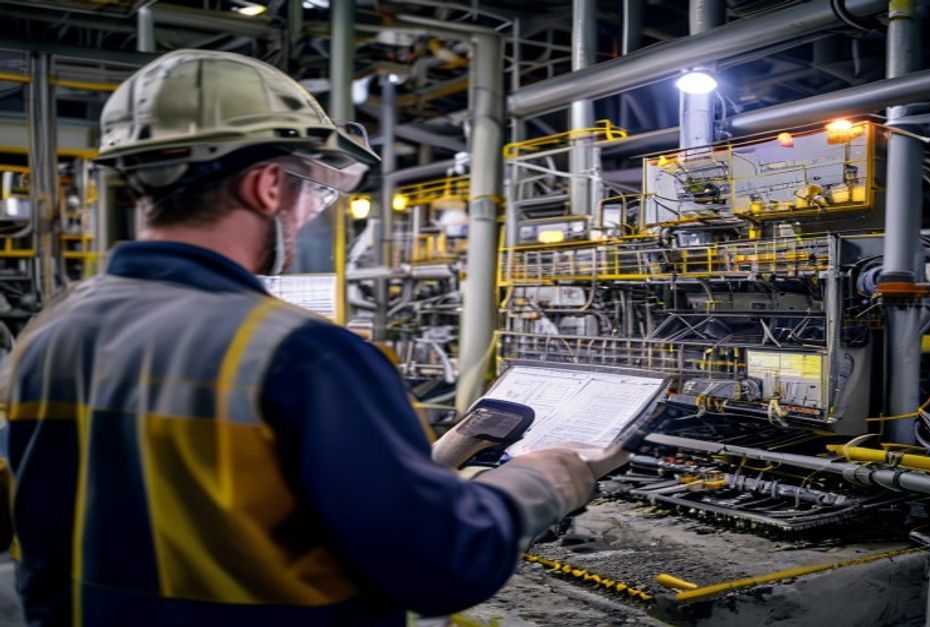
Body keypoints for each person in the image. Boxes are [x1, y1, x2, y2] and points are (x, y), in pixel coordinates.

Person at [0, 50, 598, 626]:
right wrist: (538, 484)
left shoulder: (50, 331)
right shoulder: (301, 355)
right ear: (265, 187)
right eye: (315, 191)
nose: (314, 211)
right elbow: (440, 566)